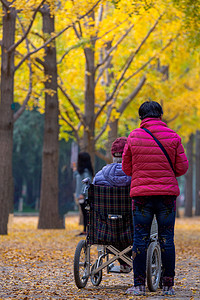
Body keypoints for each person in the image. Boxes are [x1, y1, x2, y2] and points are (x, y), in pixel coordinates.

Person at [122, 101, 188, 296]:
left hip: (142, 196)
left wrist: (142, 172)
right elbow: (182, 168)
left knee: (139, 239)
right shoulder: (173, 137)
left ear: (141, 117)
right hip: (167, 196)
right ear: (160, 115)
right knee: (167, 238)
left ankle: (139, 285)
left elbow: (127, 168)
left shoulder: (133, 136)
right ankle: (168, 286)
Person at [93, 137, 132, 273]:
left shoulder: (98, 176)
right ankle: (127, 262)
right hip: (130, 230)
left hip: (104, 230)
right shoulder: (136, 177)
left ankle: (123, 263)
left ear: (112, 155)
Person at [73, 152, 94, 236]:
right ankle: (85, 230)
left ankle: (87, 230)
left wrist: (82, 193)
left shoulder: (85, 172)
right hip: (81, 196)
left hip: (84, 197)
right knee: (84, 213)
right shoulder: (82, 172)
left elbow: (87, 183)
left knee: (86, 213)